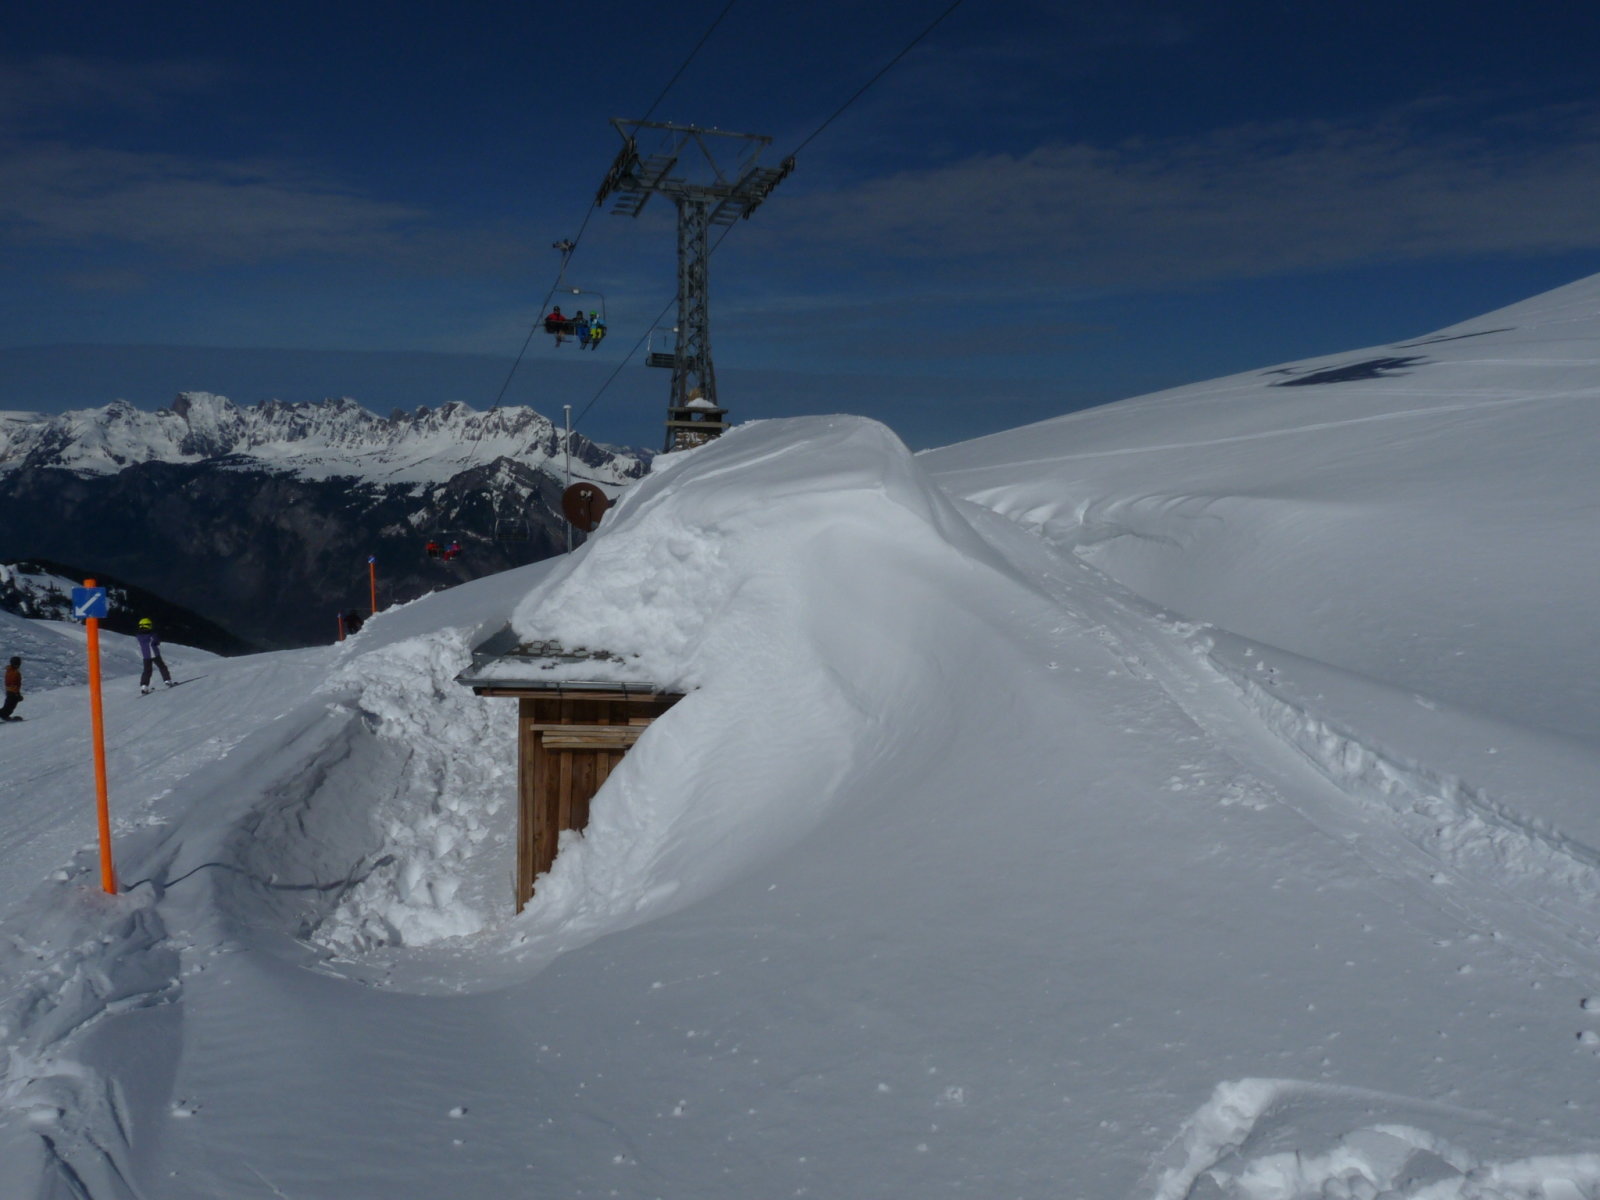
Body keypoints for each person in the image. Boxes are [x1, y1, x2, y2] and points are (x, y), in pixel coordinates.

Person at [136, 618, 174, 694]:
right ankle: (167, 680)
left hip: (146, 656)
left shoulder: (139, 636)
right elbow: (156, 641)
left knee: (147, 671)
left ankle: (144, 686)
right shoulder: (152, 635)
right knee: (162, 667)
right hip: (154, 654)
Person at [1, 656, 21, 721]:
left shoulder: (11, 671)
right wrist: (17, 694)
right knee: (9, 706)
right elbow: (12, 683)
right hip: (12, 692)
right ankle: (4, 715)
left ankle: (4, 715)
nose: (18, 665)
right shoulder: (13, 672)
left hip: (11, 691)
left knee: (9, 706)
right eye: (16, 663)